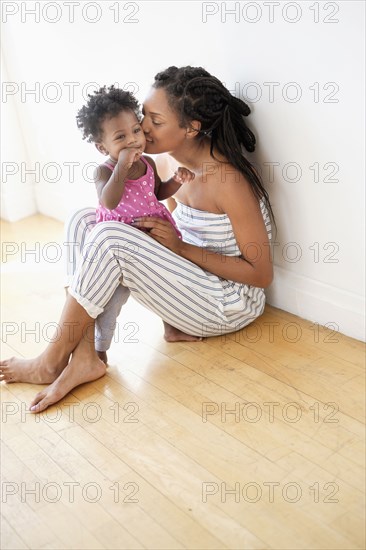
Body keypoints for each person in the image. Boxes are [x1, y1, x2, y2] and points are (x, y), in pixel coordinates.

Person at [0, 66, 274, 413]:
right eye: (145, 115)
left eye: (155, 121)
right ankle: (84, 356)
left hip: (229, 304)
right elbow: (168, 230)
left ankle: (51, 361)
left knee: (109, 235)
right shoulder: (159, 165)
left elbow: (261, 276)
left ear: (191, 128)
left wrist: (178, 248)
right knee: (84, 219)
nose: (142, 128)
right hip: (195, 289)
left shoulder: (227, 181)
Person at [73, 85, 196, 363]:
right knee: (112, 303)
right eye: (120, 137)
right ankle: (98, 351)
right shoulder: (103, 171)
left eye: (136, 131)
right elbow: (110, 201)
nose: (132, 141)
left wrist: (175, 181)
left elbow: (157, 193)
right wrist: (121, 168)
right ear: (102, 147)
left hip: (151, 236)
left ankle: (172, 326)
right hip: (118, 251)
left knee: (165, 283)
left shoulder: (149, 163)